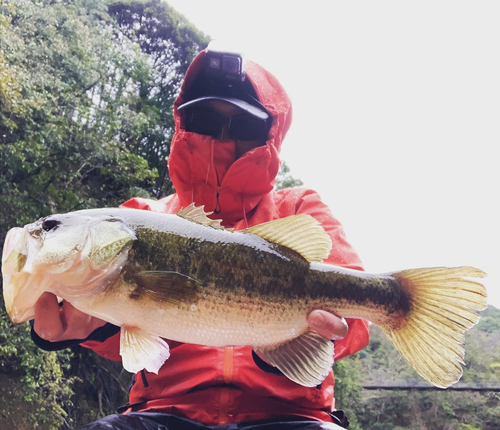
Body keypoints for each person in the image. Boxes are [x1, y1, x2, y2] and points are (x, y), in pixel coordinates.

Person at [31, 47, 370, 430]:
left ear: (271, 134)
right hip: (164, 411)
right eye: (204, 119)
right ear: (182, 124)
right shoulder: (142, 218)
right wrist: (88, 327)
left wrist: (293, 343)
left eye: (243, 126)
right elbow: (137, 337)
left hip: (291, 415)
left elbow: (357, 317)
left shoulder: (299, 207)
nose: (222, 138)